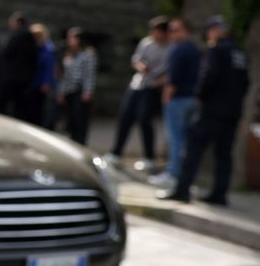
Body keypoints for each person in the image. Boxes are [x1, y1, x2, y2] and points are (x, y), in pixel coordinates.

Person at [159, 16, 249, 205]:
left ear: (216, 31)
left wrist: (200, 97)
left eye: (210, 30)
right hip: (233, 111)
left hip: (212, 109)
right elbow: (246, 83)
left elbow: (208, 76)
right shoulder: (239, 52)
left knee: (193, 149)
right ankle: (219, 194)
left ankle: (182, 190)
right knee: (224, 154)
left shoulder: (216, 50)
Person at [105, 17, 169, 171]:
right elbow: (135, 60)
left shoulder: (170, 48)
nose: (154, 34)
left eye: (157, 31)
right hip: (136, 85)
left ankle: (149, 157)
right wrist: (141, 66)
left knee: (144, 120)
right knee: (125, 117)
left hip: (151, 88)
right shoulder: (146, 43)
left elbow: (169, 72)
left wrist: (157, 82)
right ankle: (116, 153)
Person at [149, 17, 198, 188]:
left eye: (175, 30)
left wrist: (166, 96)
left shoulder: (179, 49)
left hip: (178, 99)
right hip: (191, 98)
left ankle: (173, 174)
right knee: (184, 139)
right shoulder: (194, 48)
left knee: (175, 139)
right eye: (170, 30)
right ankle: (182, 174)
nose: (171, 34)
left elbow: (173, 78)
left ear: (185, 31)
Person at [0, 11, 38, 119]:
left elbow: (6, 54)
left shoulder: (17, 37)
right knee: (19, 108)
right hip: (24, 79)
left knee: (0, 105)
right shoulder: (30, 39)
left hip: (10, 78)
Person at [58, 27, 96, 144]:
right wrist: (62, 91)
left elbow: (89, 74)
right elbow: (65, 75)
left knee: (80, 120)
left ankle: (81, 143)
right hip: (69, 90)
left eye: (72, 37)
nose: (69, 40)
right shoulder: (68, 54)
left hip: (80, 91)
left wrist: (87, 91)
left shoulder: (88, 55)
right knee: (70, 120)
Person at [29, 23, 57, 128]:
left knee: (40, 109)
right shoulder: (33, 47)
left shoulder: (48, 49)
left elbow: (49, 67)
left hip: (40, 83)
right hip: (32, 82)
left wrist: (46, 83)